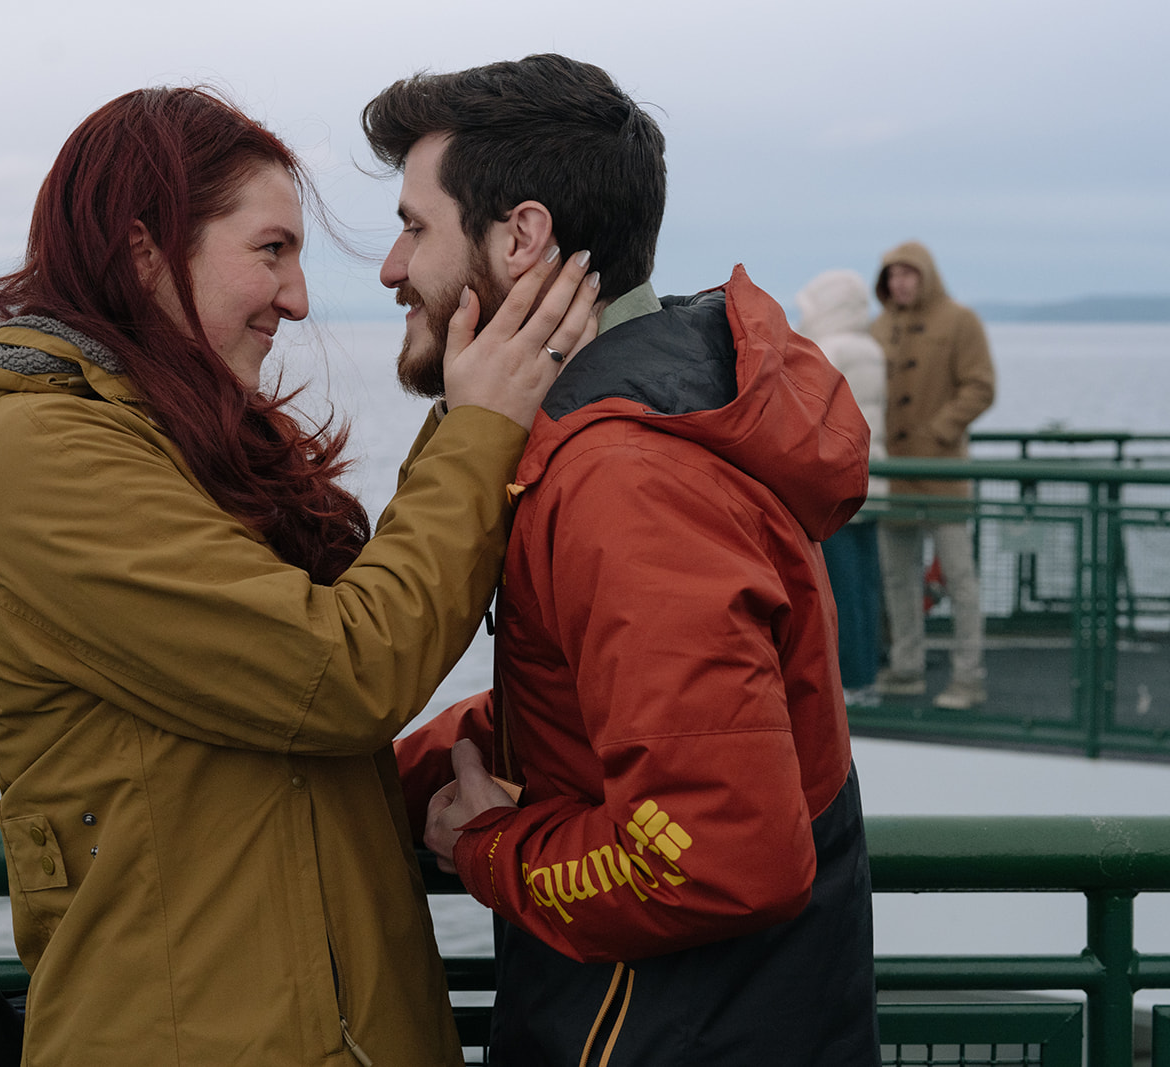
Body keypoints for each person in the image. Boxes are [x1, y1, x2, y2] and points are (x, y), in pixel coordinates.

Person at [0, 86, 598, 1066]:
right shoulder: (42, 458)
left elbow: (261, 754)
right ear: (144, 251)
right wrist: (480, 426)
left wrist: (465, 760)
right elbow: (338, 672)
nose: (299, 297)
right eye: (272, 250)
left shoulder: (162, 442)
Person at [365, 55, 882, 1065]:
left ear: (519, 237)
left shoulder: (626, 480)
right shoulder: (638, 423)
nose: (391, 267)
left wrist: (484, 844)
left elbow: (718, 849)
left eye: (414, 226)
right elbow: (612, 714)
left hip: (671, 1032)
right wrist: (384, 777)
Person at [870, 241, 997, 709]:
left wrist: (939, 430)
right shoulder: (878, 327)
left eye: (908, 273)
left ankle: (969, 677)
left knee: (961, 580)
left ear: (927, 275)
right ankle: (907, 668)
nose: (899, 282)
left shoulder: (960, 320)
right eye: (892, 275)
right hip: (891, 475)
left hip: (942, 471)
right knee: (898, 579)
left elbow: (981, 385)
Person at [797, 269, 888, 707]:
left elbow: (807, 410)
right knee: (865, 585)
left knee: (840, 587)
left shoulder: (829, 349)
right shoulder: (869, 346)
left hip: (836, 485)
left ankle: (849, 678)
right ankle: (866, 672)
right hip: (872, 482)